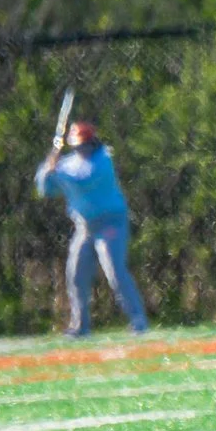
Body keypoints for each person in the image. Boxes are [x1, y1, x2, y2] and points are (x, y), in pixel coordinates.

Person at [32, 119, 150, 337]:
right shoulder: (67, 164)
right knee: (76, 275)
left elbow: (84, 180)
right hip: (84, 227)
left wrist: (56, 171)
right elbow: (45, 189)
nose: (83, 149)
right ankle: (80, 326)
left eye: (86, 144)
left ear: (93, 142)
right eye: (79, 145)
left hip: (110, 223)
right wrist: (47, 169)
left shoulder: (103, 159)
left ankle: (138, 321)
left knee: (114, 272)